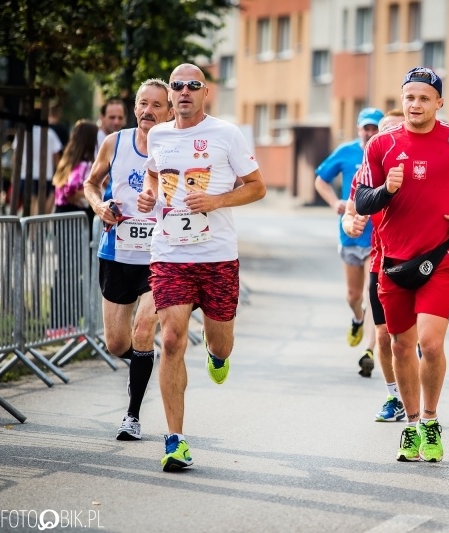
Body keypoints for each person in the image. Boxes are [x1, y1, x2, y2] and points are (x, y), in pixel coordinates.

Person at [355, 67, 449, 463]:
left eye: (424, 98)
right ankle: (412, 425)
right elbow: (363, 201)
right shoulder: (381, 145)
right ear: (402, 100)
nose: (415, 105)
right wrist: (387, 190)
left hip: (441, 256)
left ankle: (431, 420)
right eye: (409, 97)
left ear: (439, 103)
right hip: (393, 260)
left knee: (429, 343)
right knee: (400, 345)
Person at [136, 63, 266, 472]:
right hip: (170, 254)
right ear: (170, 94)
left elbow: (257, 187)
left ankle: (218, 355)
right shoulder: (158, 134)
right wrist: (149, 196)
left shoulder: (226, 134)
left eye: (194, 85)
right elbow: (153, 177)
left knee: (219, 341)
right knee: (172, 339)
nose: (185, 91)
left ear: (205, 92)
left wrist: (216, 201)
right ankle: (175, 440)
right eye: (178, 86)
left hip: (217, 256)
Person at [84, 78, 174, 441]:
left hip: (160, 256)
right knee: (117, 343)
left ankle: (132, 417)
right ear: (135, 107)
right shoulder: (114, 142)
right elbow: (90, 184)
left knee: (142, 331)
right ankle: (143, 361)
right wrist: (99, 206)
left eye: (156, 105)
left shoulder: (175, 148)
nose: (148, 111)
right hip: (117, 253)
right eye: (143, 103)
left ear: (169, 111)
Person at [342, 109, 407, 421]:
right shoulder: (367, 173)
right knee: (383, 337)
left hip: (420, 261)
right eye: (383, 132)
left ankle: (421, 406)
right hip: (381, 261)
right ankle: (394, 395)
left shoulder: (421, 169)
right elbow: (351, 211)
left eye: (396, 130)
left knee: (413, 340)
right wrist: (349, 223)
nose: (388, 137)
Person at [314, 106, 384, 377]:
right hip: (350, 233)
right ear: (358, 129)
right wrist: (335, 203)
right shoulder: (347, 152)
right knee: (354, 296)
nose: (369, 133)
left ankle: (369, 349)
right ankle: (357, 318)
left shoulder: (386, 153)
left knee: (372, 292)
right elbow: (321, 179)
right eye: (365, 127)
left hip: (375, 237)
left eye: (374, 128)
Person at [12, 121, 63, 214]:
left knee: (30, 207)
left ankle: (31, 228)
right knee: (42, 209)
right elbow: (56, 158)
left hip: (25, 175)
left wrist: (14, 175)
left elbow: (15, 157)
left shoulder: (22, 133)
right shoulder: (50, 133)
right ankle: (37, 228)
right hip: (46, 176)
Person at [51, 120, 97, 220]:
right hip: (75, 216)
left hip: (61, 212)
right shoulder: (84, 164)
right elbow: (70, 188)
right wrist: (93, 194)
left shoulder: (68, 160)